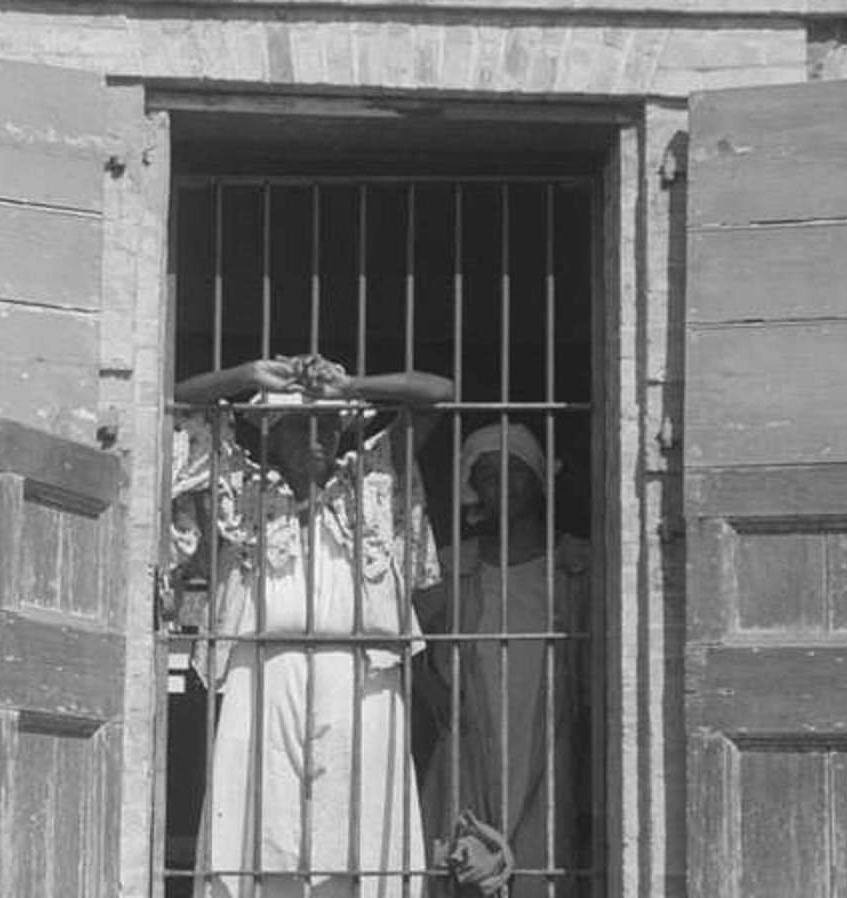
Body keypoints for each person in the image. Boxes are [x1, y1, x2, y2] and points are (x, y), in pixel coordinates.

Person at [170, 354, 453, 898]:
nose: (315, 438)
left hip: (361, 678)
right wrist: (247, 377)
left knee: (361, 825)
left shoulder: (373, 477)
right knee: (260, 822)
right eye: (300, 425)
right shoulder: (241, 489)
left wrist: (352, 385)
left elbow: (439, 390)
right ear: (273, 437)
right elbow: (175, 401)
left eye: (327, 423)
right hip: (264, 674)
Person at [416, 423, 590, 898]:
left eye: (516, 472)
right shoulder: (452, 566)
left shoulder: (579, 564)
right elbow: (398, 635)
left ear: (539, 478)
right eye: (489, 476)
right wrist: (433, 692)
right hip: (470, 738)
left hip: (551, 739)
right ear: (475, 488)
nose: (504, 486)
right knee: (464, 863)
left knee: (545, 864)